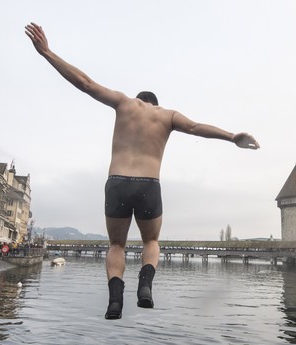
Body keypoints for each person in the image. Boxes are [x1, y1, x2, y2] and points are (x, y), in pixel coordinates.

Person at [25, 22, 260, 320]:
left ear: (139, 100)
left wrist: (46, 52)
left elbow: (84, 83)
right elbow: (197, 128)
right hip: (149, 184)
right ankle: (145, 287)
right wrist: (231, 137)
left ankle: (114, 301)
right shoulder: (167, 115)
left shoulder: (124, 103)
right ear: (155, 104)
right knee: (151, 241)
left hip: (117, 182)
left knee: (116, 244)